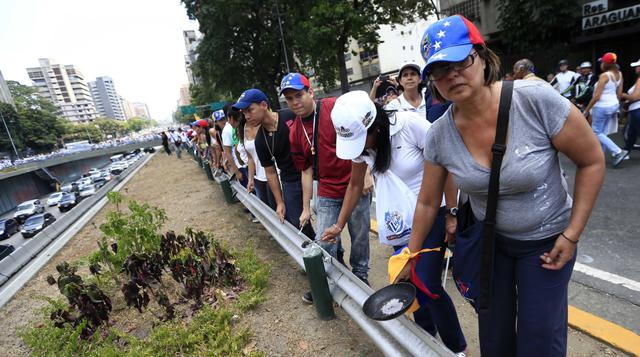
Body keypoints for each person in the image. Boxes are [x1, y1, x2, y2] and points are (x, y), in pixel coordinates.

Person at [396, 15, 605, 356]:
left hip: (548, 244)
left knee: (540, 340)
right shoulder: (438, 135)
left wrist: (572, 234)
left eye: (460, 61)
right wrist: (411, 256)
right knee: (494, 338)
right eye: (438, 69)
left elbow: (592, 161)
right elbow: (426, 202)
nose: (451, 75)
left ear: (481, 56)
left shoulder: (534, 100)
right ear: (431, 80)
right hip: (490, 244)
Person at [321, 90, 467, 355]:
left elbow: (446, 163)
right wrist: (339, 224)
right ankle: (426, 337)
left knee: (428, 283)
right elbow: (355, 185)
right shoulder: (365, 146)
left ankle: (456, 348)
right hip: (398, 222)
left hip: (433, 212)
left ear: (375, 124)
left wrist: (452, 212)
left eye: (360, 139)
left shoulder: (410, 125)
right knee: (409, 283)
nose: (360, 147)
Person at [280, 73, 372, 302]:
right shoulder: (294, 131)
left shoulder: (333, 107)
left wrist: (367, 172)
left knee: (360, 235)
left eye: (298, 95)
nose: (295, 102)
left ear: (310, 92)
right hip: (328, 189)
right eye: (289, 99)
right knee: (324, 239)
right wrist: (305, 208)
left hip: (356, 181)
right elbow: (306, 171)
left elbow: (363, 133)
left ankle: (361, 276)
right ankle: (327, 282)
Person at [232, 88, 315, 238]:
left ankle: (336, 257)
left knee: (323, 216)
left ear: (263, 105)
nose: (247, 116)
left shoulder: (290, 115)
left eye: (250, 110)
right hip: (290, 180)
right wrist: (279, 202)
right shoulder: (260, 141)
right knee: (299, 223)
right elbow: (270, 173)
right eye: (244, 113)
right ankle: (315, 253)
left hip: (313, 173)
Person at [583, 52, 628, 166]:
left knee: (596, 131)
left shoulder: (604, 76)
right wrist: (616, 108)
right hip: (612, 105)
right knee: (602, 132)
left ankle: (618, 151)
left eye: (601, 62)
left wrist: (587, 110)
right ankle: (600, 158)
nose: (600, 64)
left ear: (606, 64)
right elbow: (619, 93)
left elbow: (596, 96)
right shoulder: (619, 74)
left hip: (602, 106)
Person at [220, 107, 248, 186]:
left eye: (223, 119)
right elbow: (228, 152)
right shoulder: (228, 130)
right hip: (242, 166)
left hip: (246, 166)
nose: (224, 122)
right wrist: (237, 172)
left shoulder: (241, 126)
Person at [621, 58, 640, 158]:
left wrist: (623, 95)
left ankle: (626, 151)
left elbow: (636, 96)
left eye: (637, 66)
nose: (636, 68)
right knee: (632, 133)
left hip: (637, 110)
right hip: (635, 110)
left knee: (634, 132)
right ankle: (626, 151)